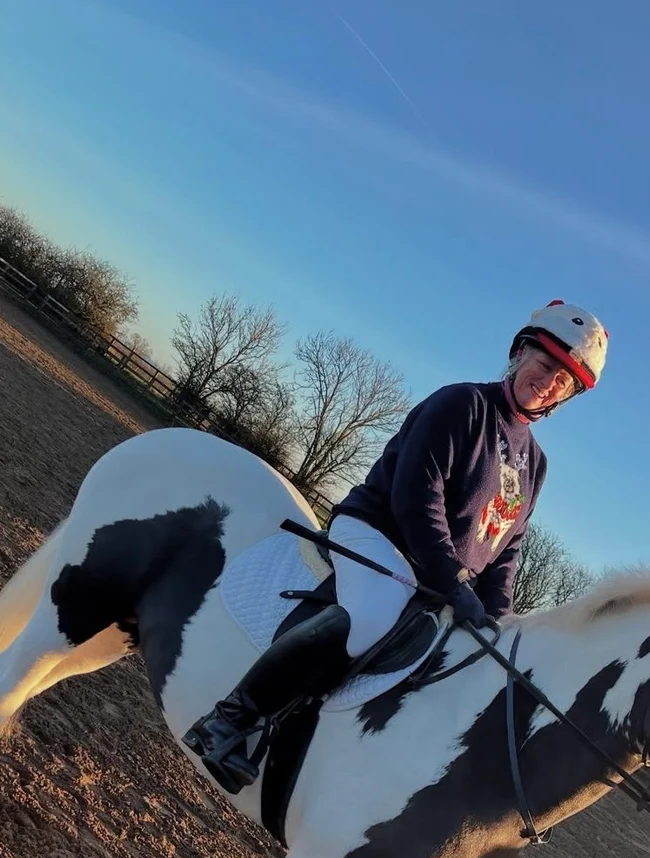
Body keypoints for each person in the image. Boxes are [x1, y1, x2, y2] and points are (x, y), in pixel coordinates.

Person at [184, 299, 608, 793]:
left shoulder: (535, 464)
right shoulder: (462, 404)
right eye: (546, 363)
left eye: (566, 380)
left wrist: (499, 620)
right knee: (372, 613)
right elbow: (416, 495)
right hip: (379, 534)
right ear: (520, 352)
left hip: (440, 578)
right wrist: (450, 580)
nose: (550, 380)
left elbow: (506, 549)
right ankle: (231, 719)